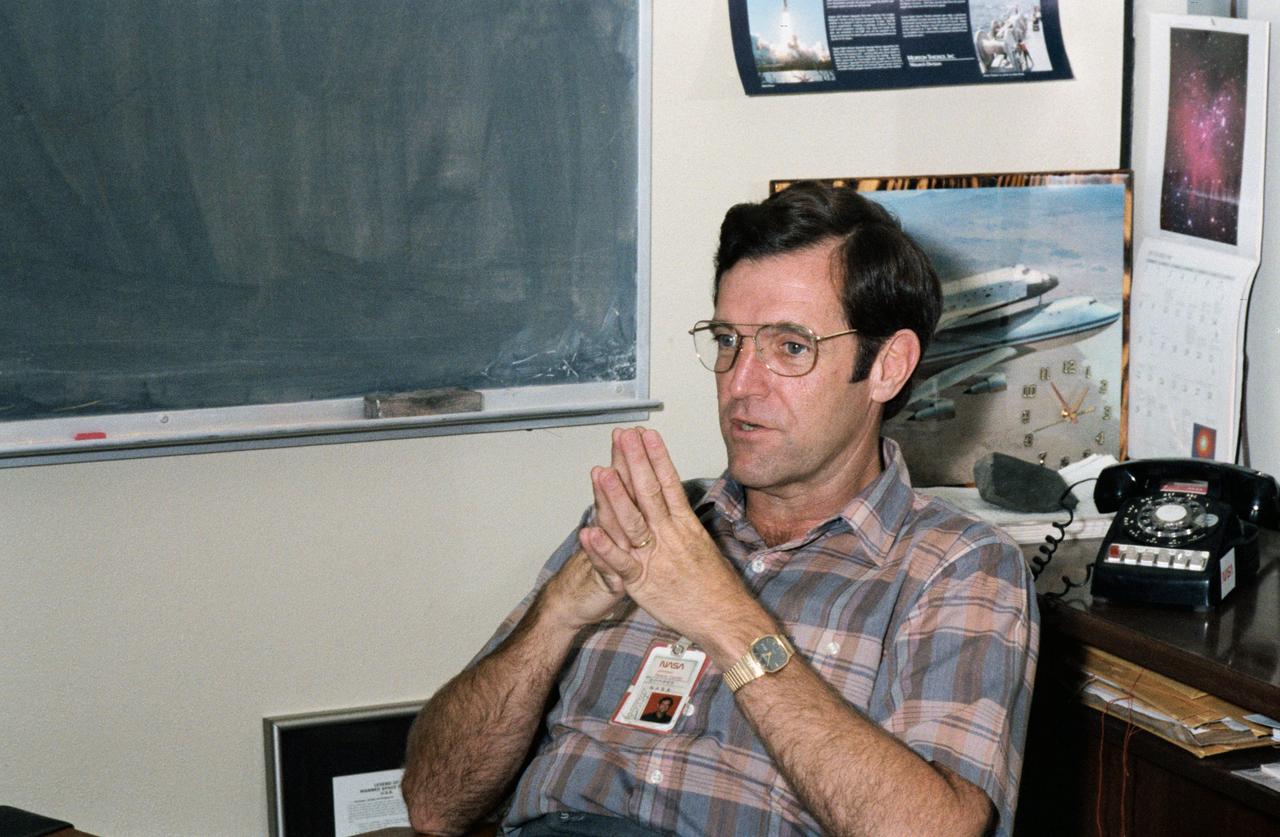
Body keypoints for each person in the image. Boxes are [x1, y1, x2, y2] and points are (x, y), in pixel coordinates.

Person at [400, 180, 1039, 836]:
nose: (739, 381)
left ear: (887, 366)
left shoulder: (959, 565)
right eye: (728, 340)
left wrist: (724, 619)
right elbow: (432, 802)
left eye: (789, 347)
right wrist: (556, 616)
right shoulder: (644, 522)